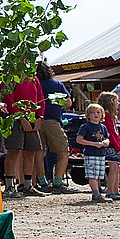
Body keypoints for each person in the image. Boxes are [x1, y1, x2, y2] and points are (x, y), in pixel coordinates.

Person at [1, 73, 45, 198]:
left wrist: (40, 117)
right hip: (15, 119)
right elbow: (9, 98)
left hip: (32, 118)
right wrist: (21, 118)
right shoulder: (10, 76)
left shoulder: (33, 78)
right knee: (14, 151)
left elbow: (41, 98)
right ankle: (9, 186)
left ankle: (27, 185)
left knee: (31, 151)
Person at [36, 62, 71, 193]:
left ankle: (41, 181)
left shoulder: (34, 84)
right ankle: (57, 181)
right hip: (52, 120)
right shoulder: (57, 84)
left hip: (36, 120)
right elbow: (68, 102)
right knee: (63, 152)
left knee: (38, 153)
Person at [77, 104, 111, 203]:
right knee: (92, 175)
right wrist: (94, 144)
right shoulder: (85, 127)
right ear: (88, 115)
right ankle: (96, 194)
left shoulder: (103, 127)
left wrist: (105, 143)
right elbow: (79, 139)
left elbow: (107, 138)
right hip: (91, 153)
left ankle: (98, 192)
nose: (95, 114)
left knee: (99, 174)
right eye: (92, 112)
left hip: (101, 154)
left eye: (98, 112)